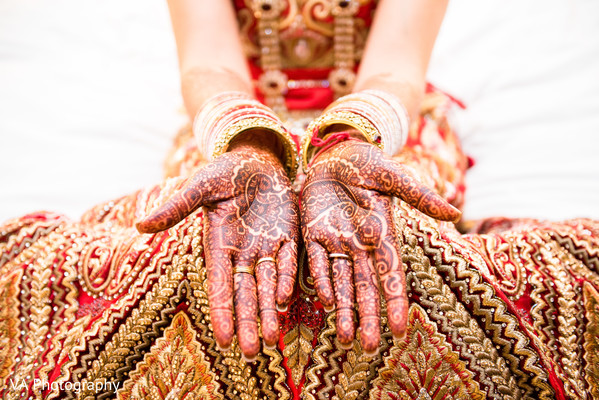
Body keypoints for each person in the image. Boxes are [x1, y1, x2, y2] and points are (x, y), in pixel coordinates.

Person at [0, 1, 597, 399]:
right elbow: (208, 63)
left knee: (397, 246)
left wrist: (342, 148)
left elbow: (396, 72)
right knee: (201, 256)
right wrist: (253, 146)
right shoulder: (241, 138)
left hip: (382, 127)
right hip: (233, 129)